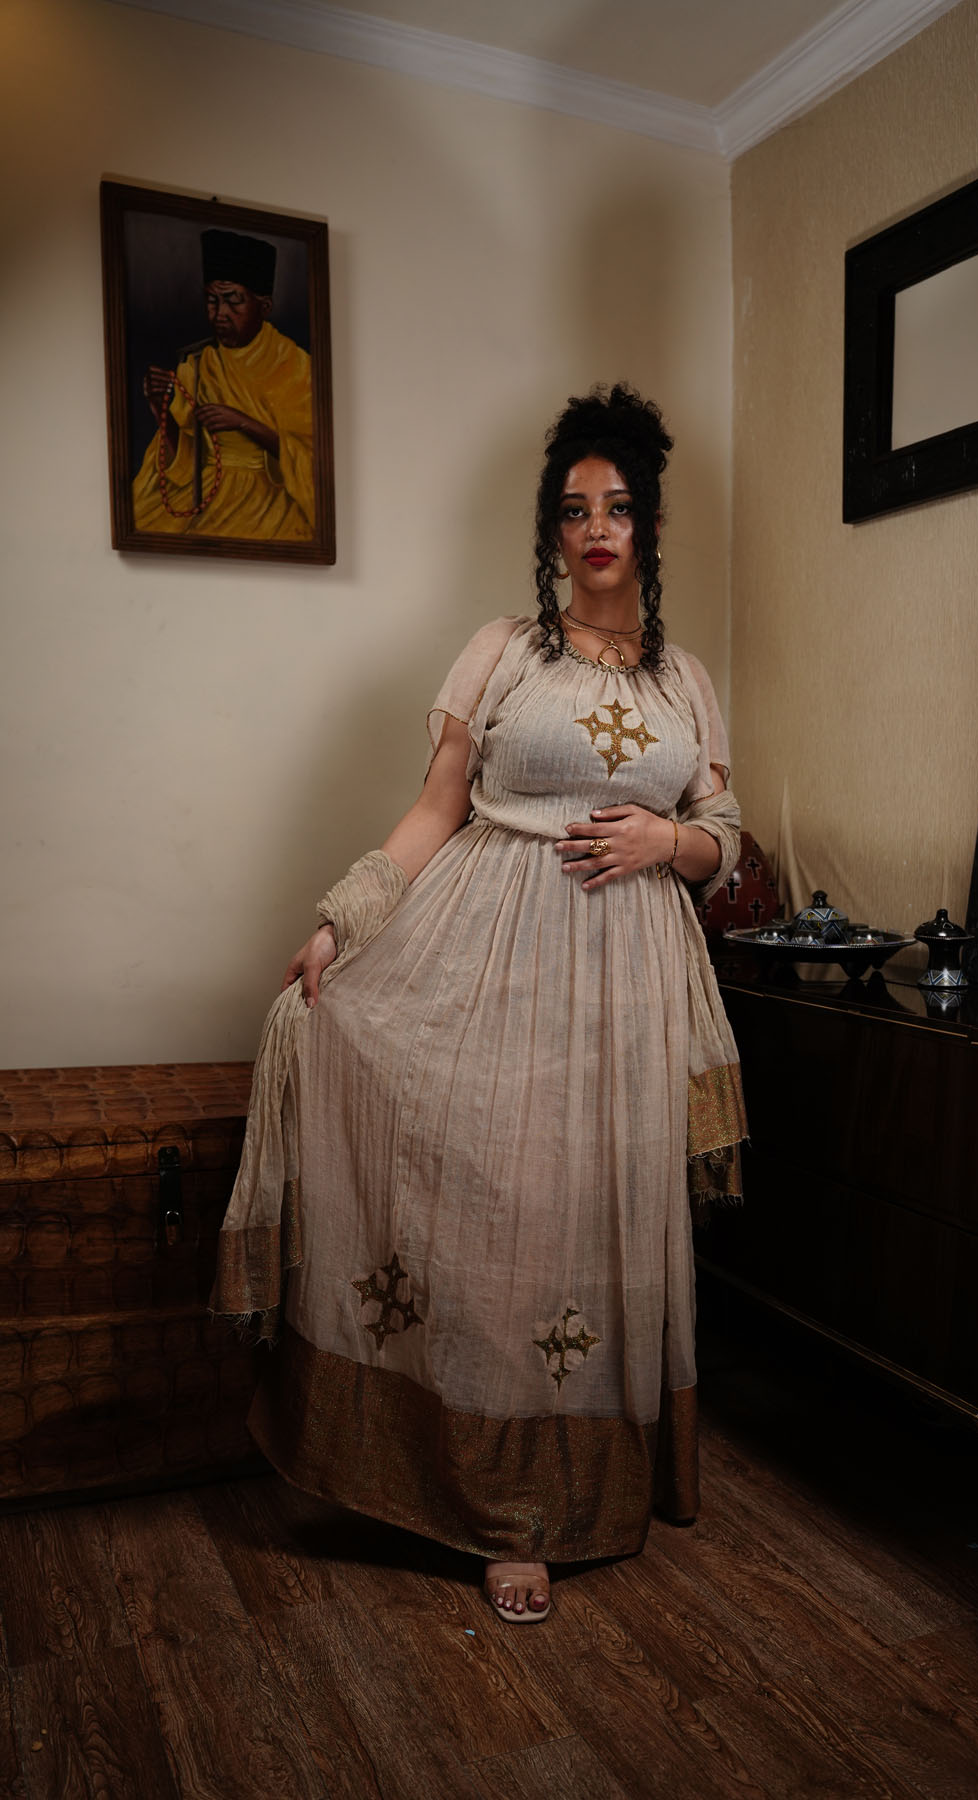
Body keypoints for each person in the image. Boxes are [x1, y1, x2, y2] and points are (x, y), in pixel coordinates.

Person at [212, 384, 746, 1621]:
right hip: (489, 962)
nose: (598, 528)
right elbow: (437, 806)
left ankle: (578, 1489)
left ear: (649, 526)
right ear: (552, 529)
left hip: (629, 989)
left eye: (620, 508)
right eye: (576, 509)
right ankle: (501, 1510)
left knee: (588, 1223)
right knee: (502, 1225)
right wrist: (342, 920)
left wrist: (665, 841)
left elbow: (724, 831)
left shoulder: (687, 680)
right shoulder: (504, 649)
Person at [132, 228, 314, 540]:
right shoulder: (198, 364)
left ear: (264, 307)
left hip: (270, 501)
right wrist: (159, 408)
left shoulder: (296, 366)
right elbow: (184, 465)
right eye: (212, 301)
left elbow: (312, 463)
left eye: (233, 301)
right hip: (206, 493)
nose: (220, 314)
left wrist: (245, 424)